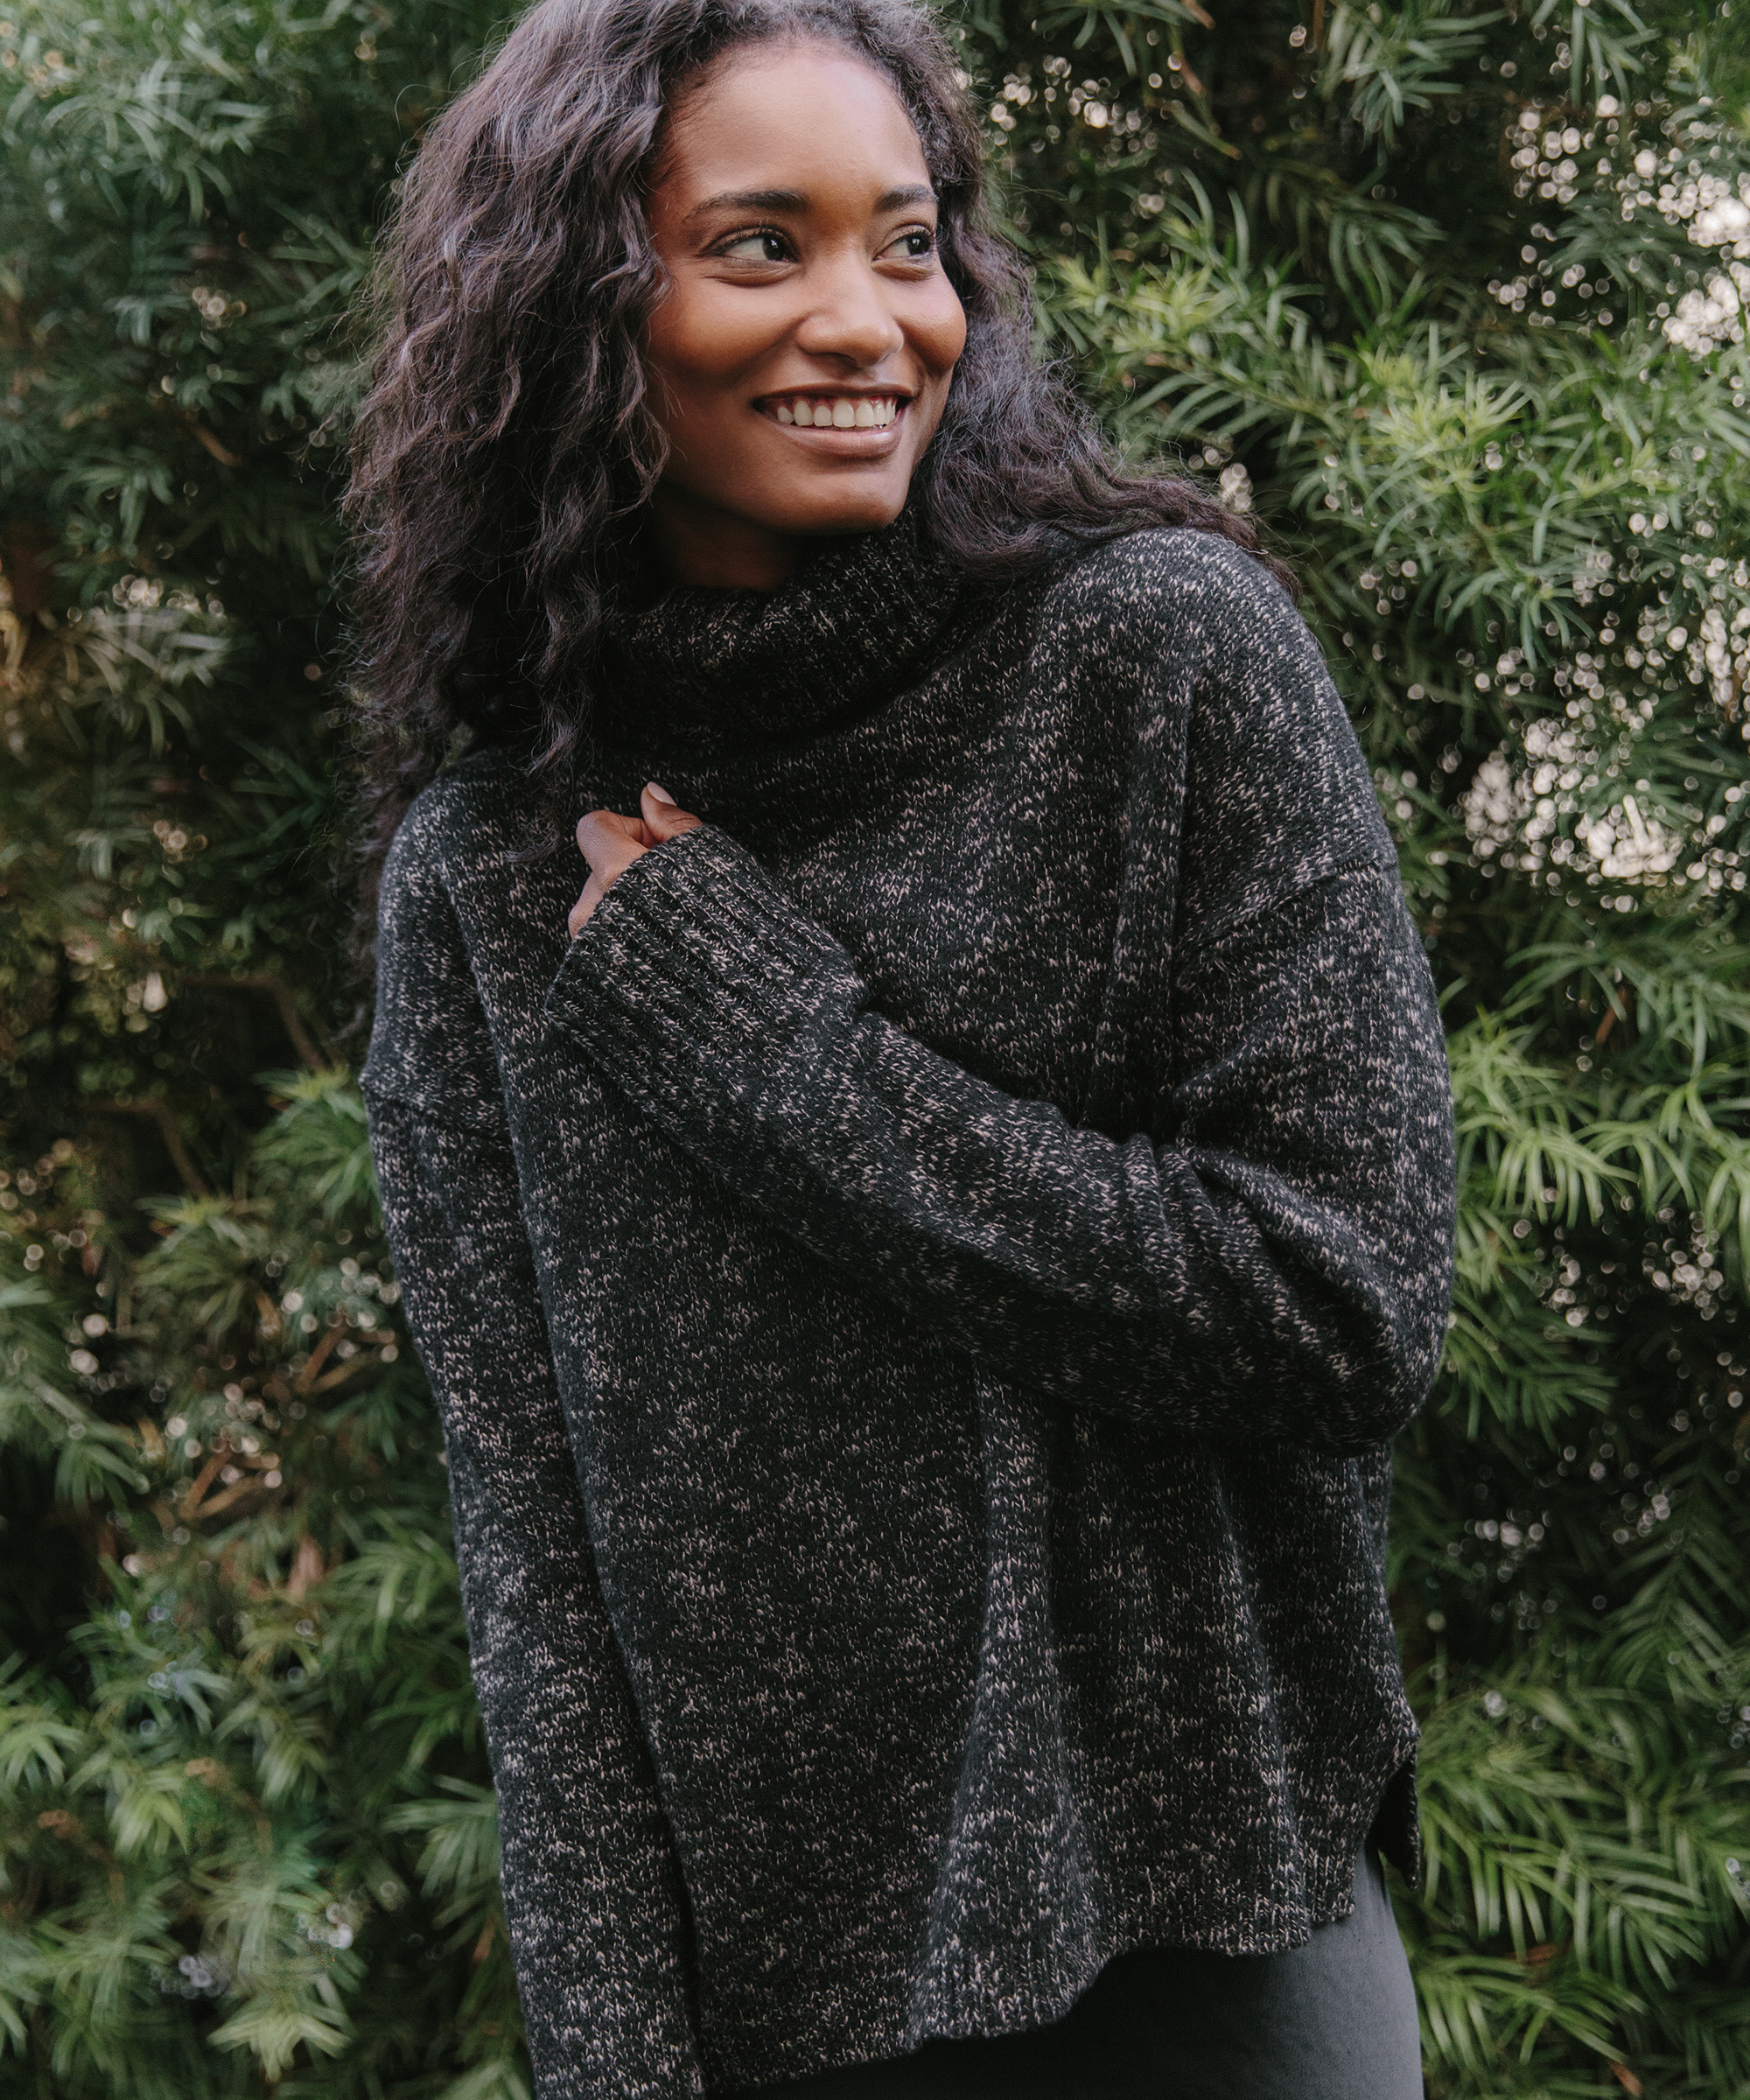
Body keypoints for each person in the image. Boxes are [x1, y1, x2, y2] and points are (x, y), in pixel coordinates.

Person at [346, 0, 1458, 2094]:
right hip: (776, 2026)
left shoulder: (1157, 656)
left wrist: (777, 1048)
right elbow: (539, 1569)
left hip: (1205, 1951)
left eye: (911, 240)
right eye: (760, 246)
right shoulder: (489, 879)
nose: (866, 319)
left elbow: (1341, 1301)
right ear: (580, 310)